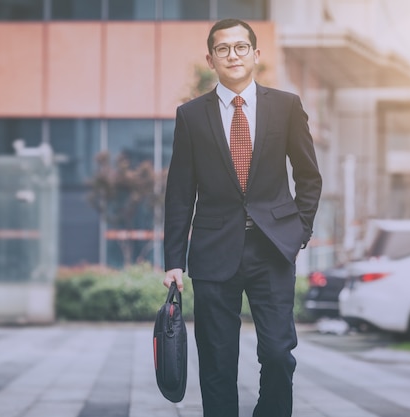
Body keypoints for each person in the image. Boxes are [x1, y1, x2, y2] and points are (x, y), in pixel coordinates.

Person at [162, 18, 322, 417]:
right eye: (223, 49)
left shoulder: (286, 107)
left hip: (272, 249)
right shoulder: (191, 116)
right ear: (211, 59)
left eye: (240, 47)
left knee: (279, 354)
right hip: (215, 252)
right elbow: (180, 193)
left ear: (255, 54)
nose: (232, 55)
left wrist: (298, 232)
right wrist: (173, 262)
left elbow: (308, 176)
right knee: (217, 362)